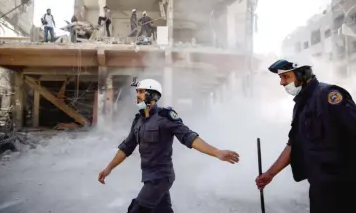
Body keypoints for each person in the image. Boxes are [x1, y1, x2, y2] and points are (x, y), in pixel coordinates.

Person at [98, 78, 240, 213]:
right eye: (137, 92)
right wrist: (109, 168)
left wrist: (217, 152)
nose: (137, 95)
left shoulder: (165, 116)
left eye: (141, 92)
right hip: (149, 177)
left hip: (160, 178)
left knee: (137, 210)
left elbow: (188, 137)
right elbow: (127, 147)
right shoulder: (138, 121)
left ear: (152, 96)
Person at [255, 59, 356, 213]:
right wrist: (269, 174)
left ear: (302, 74)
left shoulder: (329, 96)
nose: (281, 83)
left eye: (286, 77)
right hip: (319, 189)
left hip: (343, 188)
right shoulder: (300, 106)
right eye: (281, 78)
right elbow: (293, 145)